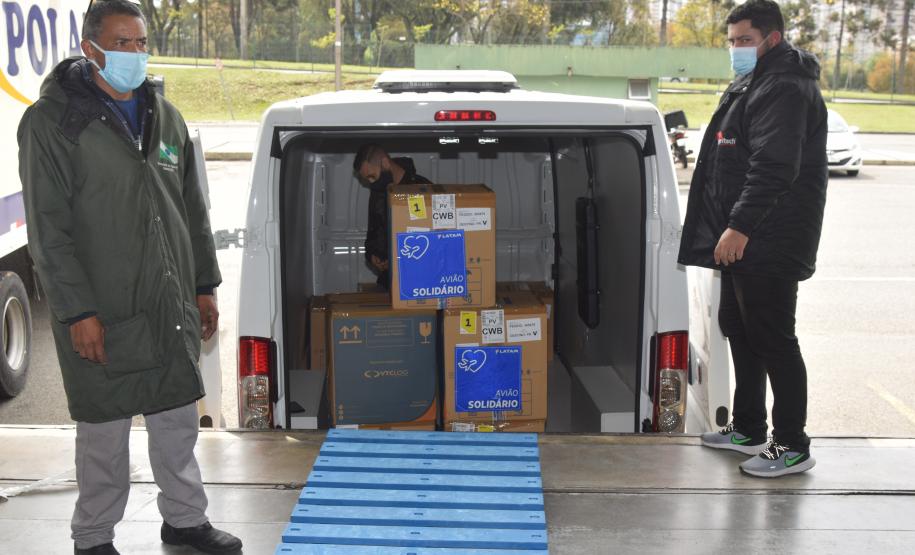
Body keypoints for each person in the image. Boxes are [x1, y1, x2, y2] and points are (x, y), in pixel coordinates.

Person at [17, 1, 242, 553]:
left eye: (142, 43)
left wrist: (204, 286)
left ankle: (185, 520)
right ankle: (93, 537)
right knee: (104, 432)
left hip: (166, 301)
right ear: (90, 48)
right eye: (122, 43)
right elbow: (50, 231)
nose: (135, 54)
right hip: (103, 307)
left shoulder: (164, 115)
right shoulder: (53, 123)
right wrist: (77, 312)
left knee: (176, 423)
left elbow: (192, 207)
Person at [678, 0, 827, 478]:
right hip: (745, 237)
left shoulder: (784, 86)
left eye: (744, 40)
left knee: (773, 338)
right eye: (732, 41)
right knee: (739, 329)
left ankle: (792, 445)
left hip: (770, 236)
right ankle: (748, 428)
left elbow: (774, 166)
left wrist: (738, 226)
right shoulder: (757, 80)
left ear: (772, 38)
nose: (736, 49)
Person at [353, 143, 432, 290]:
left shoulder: (420, 190)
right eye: (367, 180)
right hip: (388, 281)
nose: (371, 183)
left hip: (418, 281)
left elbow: (429, 238)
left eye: (372, 176)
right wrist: (373, 255)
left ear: (384, 162)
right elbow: (374, 231)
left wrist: (396, 259)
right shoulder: (378, 193)